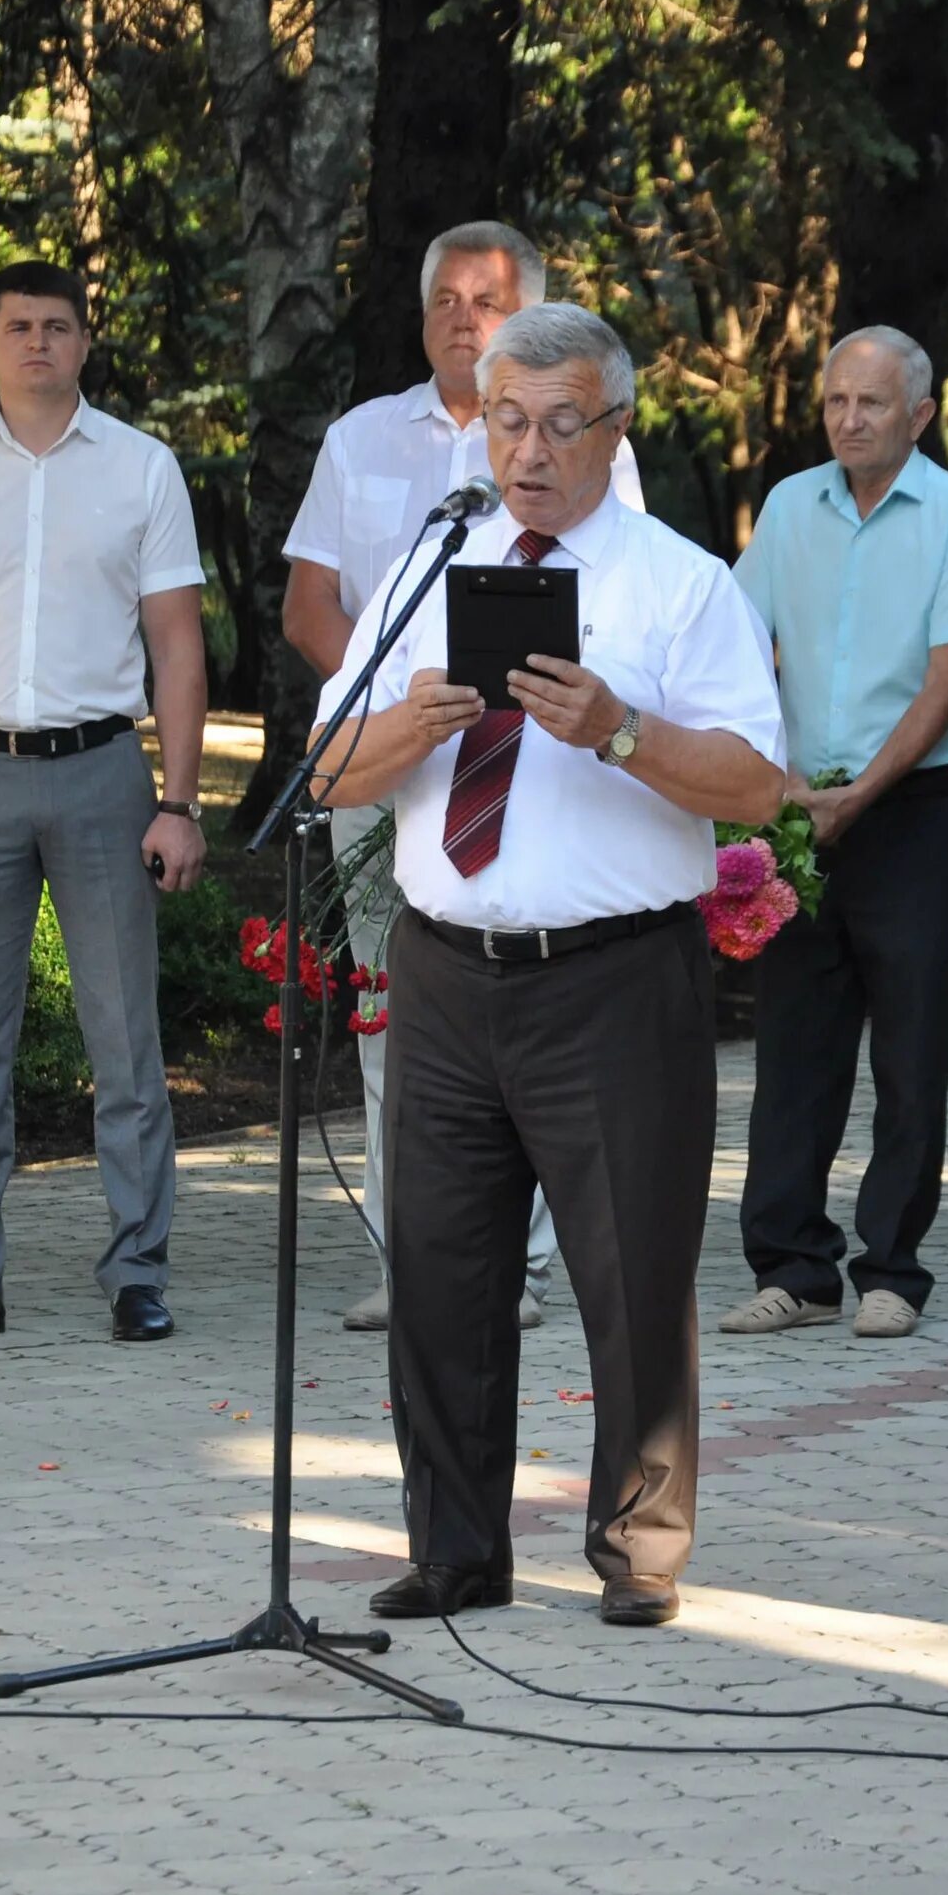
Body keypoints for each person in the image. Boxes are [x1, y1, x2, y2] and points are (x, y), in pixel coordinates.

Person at [310, 302, 785, 1628]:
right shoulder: (428, 563)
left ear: (612, 429)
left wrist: (621, 731)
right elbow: (325, 769)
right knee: (443, 1277)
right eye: (504, 420)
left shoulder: (679, 583)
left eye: (558, 423)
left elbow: (757, 784)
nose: (527, 450)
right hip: (449, 972)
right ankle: (455, 1548)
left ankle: (639, 1551)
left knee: (631, 1276)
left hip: (615, 979)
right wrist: (411, 723)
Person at [281, 219, 645, 1336]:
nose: (461, 318)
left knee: (525, 1017)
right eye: (445, 298)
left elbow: (614, 597)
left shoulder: (590, 445)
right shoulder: (359, 438)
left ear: (528, 317)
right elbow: (312, 607)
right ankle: (415, 1259)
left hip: (532, 765)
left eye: (485, 302)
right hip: (392, 762)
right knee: (398, 1017)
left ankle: (528, 1269)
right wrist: (395, 713)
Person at [0, 260, 210, 1348]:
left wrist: (179, 798)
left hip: (104, 771)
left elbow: (175, 641)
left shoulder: (144, 469)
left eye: (57, 326)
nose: (37, 344)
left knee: (125, 1038)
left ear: (83, 341)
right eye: (17, 326)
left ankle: (137, 1271)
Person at [716, 326, 948, 1343]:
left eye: (870, 404)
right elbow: (740, 640)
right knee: (794, 1042)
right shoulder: (794, 504)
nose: (847, 419)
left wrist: (862, 793)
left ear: (920, 416)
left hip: (913, 809)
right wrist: (776, 777)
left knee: (912, 1046)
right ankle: (793, 1265)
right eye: (836, 401)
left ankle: (893, 1267)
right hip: (799, 806)